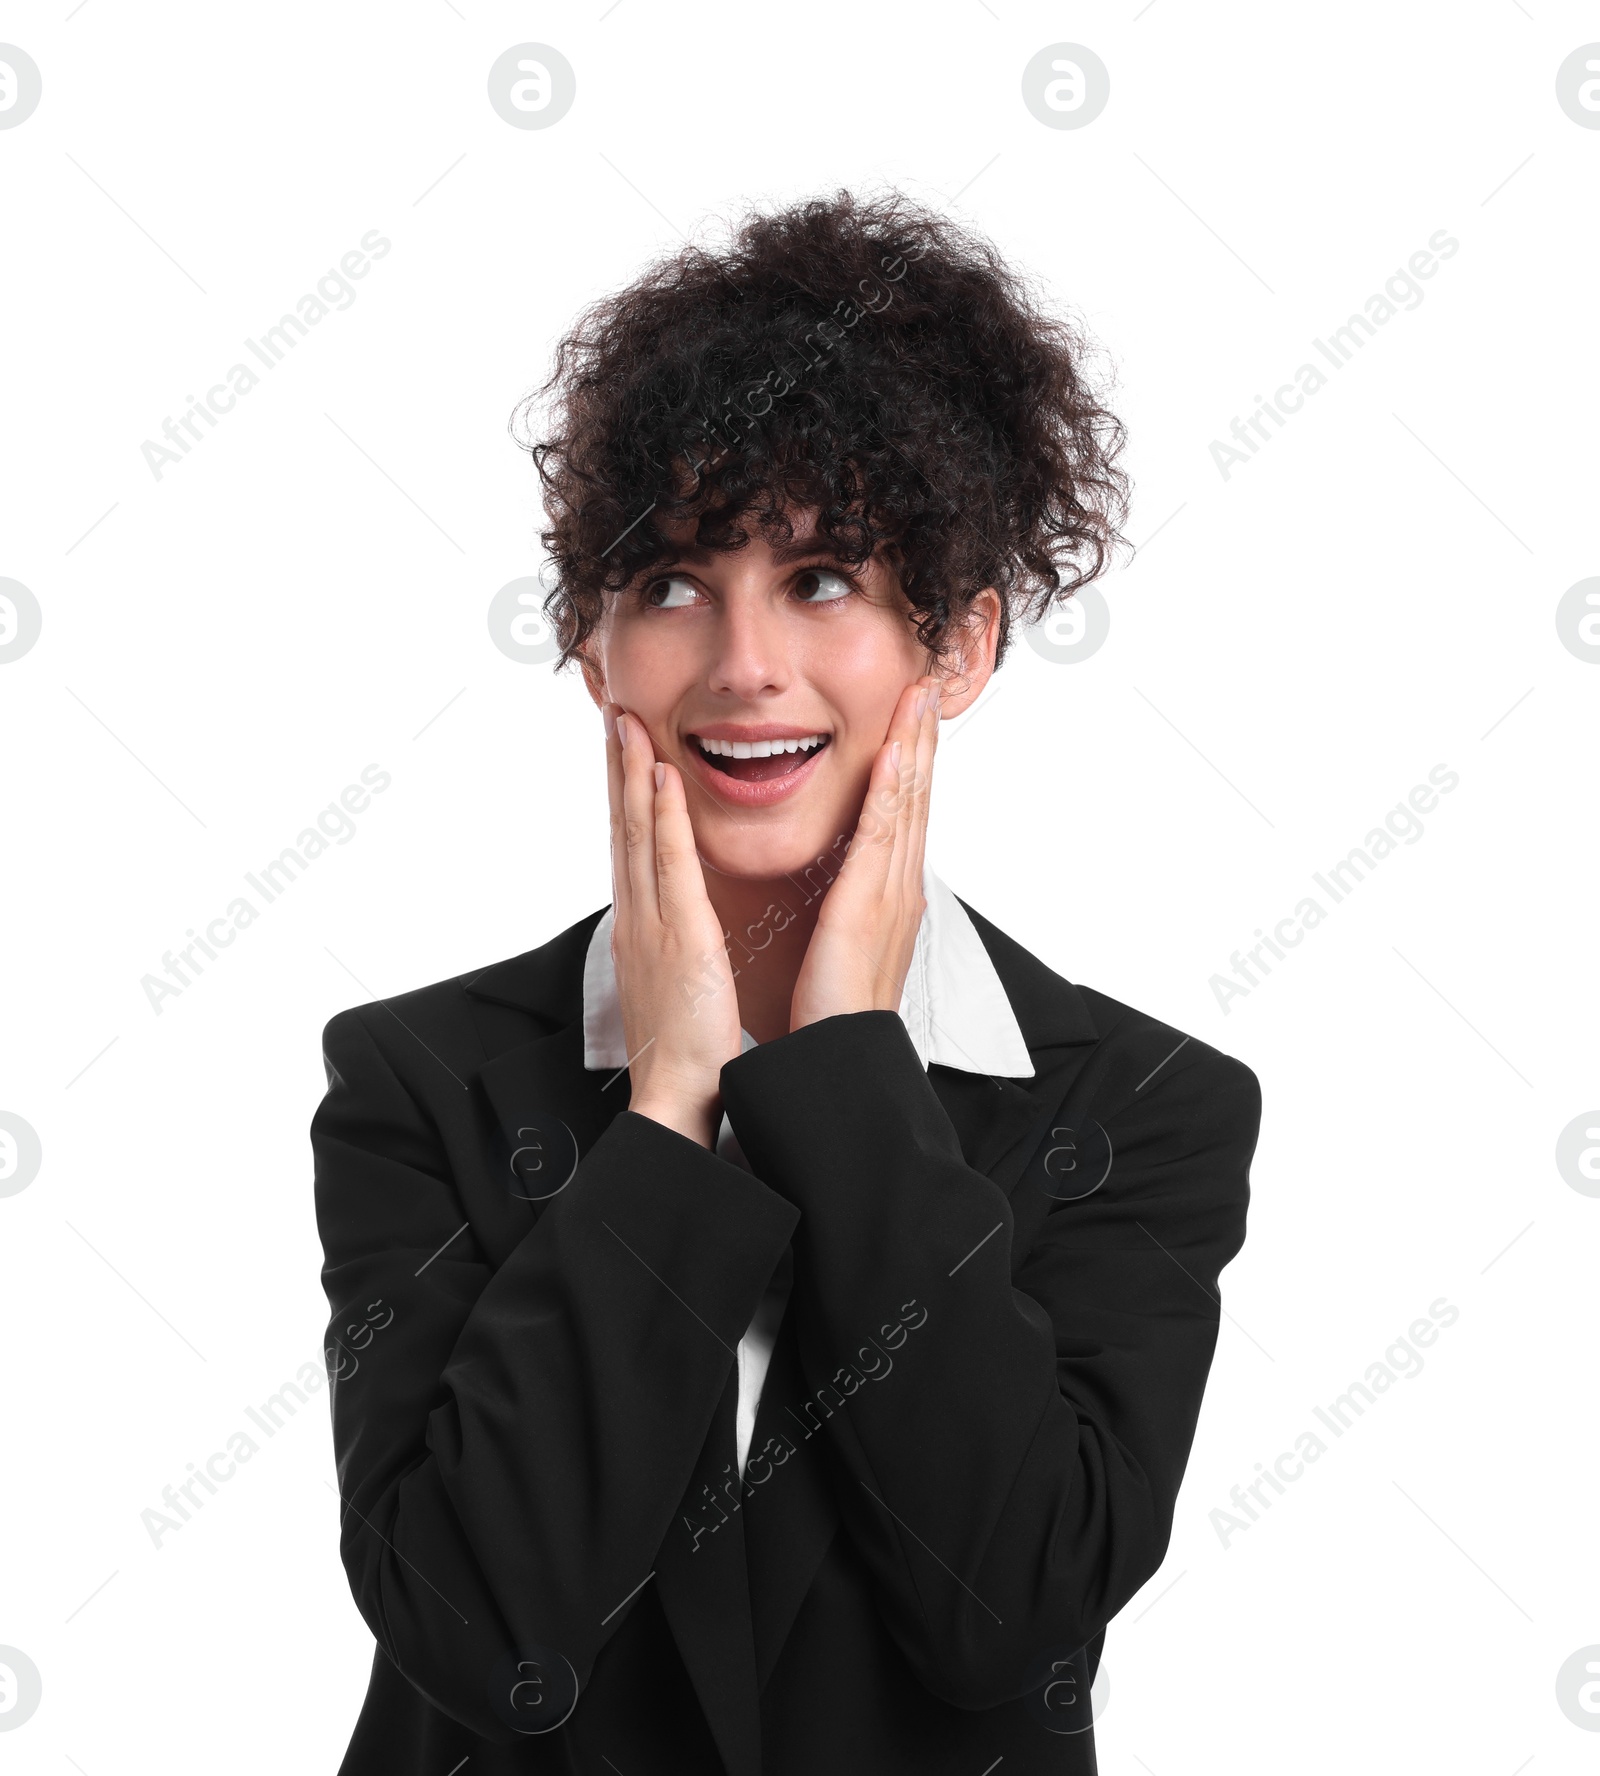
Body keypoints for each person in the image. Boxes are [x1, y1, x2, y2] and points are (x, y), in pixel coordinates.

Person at [311, 188, 1262, 1774]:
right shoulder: (420, 1080)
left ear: (955, 647)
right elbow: (476, 1629)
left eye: (822, 579)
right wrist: (672, 1108)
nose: (745, 664)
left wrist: (843, 1077)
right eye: (674, 584)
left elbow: (1011, 1615)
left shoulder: (1142, 1111)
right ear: (592, 647)